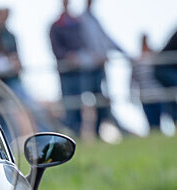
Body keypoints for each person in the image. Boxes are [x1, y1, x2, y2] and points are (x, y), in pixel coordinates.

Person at [79, 0, 125, 135]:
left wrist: (125, 53)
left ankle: (100, 130)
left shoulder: (95, 20)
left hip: (99, 68)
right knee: (85, 102)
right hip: (87, 69)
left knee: (102, 100)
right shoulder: (81, 20)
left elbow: (107, 40)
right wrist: (92, 58)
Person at [50, 0, 87, 135]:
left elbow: (83, 43)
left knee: (79, 102)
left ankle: (79, 131)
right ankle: (72, 131)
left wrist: (78, 57)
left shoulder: (77, 23)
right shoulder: (56, 26)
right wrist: (67, 56)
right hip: (66, 70)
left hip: (78, 70)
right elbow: (56, 48)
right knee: (69, 103)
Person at [131, 34, 163, 132]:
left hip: (157, 94)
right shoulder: (137, 61)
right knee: (151, 121)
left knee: (157, 120)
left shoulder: (155, 57)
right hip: (145, 95)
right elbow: (133, 80)